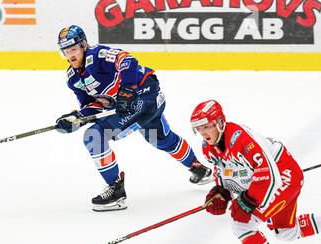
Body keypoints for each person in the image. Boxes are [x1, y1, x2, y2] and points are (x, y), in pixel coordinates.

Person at [55, 25, 212, 212]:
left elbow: (127, 60)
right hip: (142, 104)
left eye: (73, 49)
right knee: (160, 139)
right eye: (65, 51)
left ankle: (116, 191)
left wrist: (128, 90)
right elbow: (94, 106)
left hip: (144, 97)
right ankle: (199, 169)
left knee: (95, 136)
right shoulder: (73, 79)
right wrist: (77, 118)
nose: (70, 55)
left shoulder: (98, 55)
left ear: (83, 45)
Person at [190, 99, 321, 244]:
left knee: (241, 224)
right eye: (199, 129)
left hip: (283, 176)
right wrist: (222, 192)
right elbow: (227, 174)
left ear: (219, 122)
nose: (203, 133)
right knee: (287, 232)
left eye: (206, 126)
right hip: (271, 180)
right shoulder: (208, 148)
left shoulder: (240, 139)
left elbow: (268, 173)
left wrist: (248, 201)